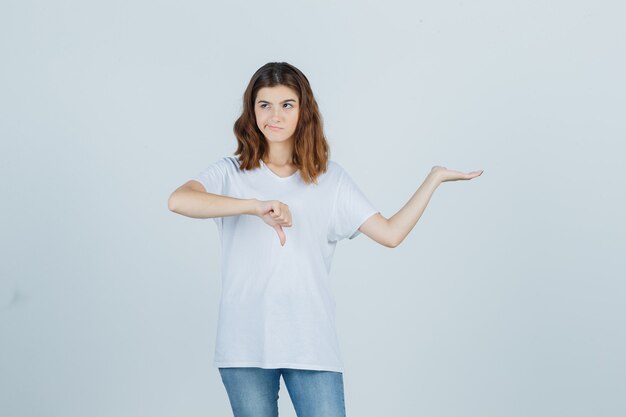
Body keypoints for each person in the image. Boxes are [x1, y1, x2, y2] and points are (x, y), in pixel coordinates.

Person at [168, 62, 483, 417]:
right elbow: (179, 200)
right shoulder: (230, 172)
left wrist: (434, 179)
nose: (275, 115)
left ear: (303, 110)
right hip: (244, 344)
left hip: (310, 342)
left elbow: (391, 234)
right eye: (264, 105)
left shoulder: (329, 179)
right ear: (251, 111)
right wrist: (254, 206)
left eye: (287, 104)